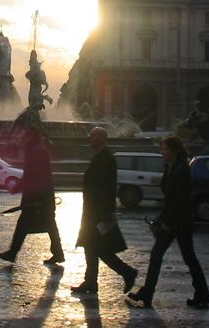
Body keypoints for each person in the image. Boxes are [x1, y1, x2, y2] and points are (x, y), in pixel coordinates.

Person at [127, 135, 209, 309]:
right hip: (175, 220)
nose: (161, 152)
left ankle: (149, 294)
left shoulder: (181, 170)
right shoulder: (172, 167)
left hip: (178, 222)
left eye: (164, 149)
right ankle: (201, 293)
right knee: (184, 257)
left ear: (173, 151)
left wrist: (165, 221)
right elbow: (169, 197)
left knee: (176, 257)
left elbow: (177, 199)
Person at [72, 126, 137, 295]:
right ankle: (91, 282)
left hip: (97, 213)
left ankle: (127, 272)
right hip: (92, 212)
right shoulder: (101, 157)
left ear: (102, 138)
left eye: (93, 135)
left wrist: (105, 213)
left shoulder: (105, 158)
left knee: (99, 248)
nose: (89, 138)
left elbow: (106, 188)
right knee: (90, 246)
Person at [0, 110, 64, 265]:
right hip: (41, 197)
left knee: (26, 225)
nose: (23, 137)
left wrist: (24, 191)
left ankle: (13, 253)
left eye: (25, 135)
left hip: (37, 198)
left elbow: (33, 174)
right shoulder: (36, 148)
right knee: (49, 225)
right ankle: (58, 253)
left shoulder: (36, 150)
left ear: (30, 135)